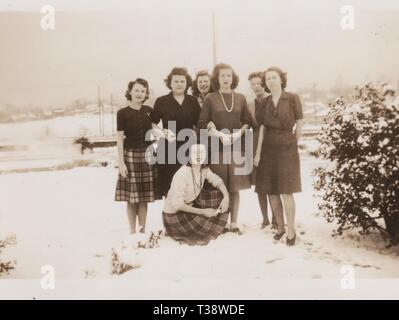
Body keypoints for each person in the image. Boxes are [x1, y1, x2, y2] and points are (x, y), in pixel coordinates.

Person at [197, 63, 252, 234]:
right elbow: (202, 123)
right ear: (217, 78)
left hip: (236, 148)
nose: (226, 79)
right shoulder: (210, 98)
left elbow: (248, 121)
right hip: (217, 148)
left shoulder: (241, 98)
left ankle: (233, 223)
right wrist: (215, 131)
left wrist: (238, 134)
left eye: (229, 75)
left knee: (234, 188)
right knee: (220, 187)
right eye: (222, 76)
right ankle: (220, 223)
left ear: (233, 78)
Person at [254, 67, 304, 246]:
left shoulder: (292, 98)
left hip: (287, 148)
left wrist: (292, 143)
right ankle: (280, 227)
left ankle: (291, 230)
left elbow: (299, 123)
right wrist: (258, 153)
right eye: (268, 79)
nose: (271, 81)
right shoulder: (264, 102)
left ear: (281, 79)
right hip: (268, 148)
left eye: (274, 78)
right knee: (272, 192)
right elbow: (262, 128)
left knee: (286, 191)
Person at [115, 78, 161, 234]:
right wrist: (121, 163)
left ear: (146, 93)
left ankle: (142, 232)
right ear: (130, 92)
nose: (139, 94)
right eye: (136, 90)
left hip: (147, 157)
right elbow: (120, 140)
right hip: (131, 157)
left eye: (143, 91)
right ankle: (132, 232)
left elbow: (157, 132)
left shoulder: (149, 110)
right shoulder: (122, 113)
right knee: (131, 198)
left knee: (143, 198)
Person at [162, 144, 230, 245]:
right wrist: (203, 212)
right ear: (189, 156)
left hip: (189, 207)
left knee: (219, 194)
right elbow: (178, 205)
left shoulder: (204, 169)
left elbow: (217, 181)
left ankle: (207, 222)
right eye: (195, 153)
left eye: (201, 152)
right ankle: (175, 230)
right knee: (202, 232)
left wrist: (226, 197)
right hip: (173, 214)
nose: (198, 156)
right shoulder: (182, 173)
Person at [150, 67, 202, 197]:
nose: (179, 84)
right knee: (170, 187)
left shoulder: (193, 101)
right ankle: (170, 217)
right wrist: (163, 133)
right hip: (167, 149)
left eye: (182, 81)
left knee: (188, 187)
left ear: (187, 83)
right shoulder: (161, 101)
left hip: (188, 148)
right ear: (170, 83)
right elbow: (152, 123)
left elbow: (200, 124)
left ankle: (185, 217)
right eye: (176, 81)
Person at [247, 72, 277, 229]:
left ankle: (276, 218)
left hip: (270, 142)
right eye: (253, 84)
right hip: (255, 142)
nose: (256, 86)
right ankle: (265, 219)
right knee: (259, 184)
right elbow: (248, 123)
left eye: (259, 83)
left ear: (264, 84)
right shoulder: (250, 104)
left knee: (272, 183)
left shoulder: (272, 100)